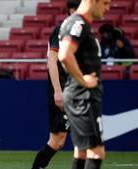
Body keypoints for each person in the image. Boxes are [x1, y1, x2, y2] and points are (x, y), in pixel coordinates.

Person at [58, 0, 111, 168]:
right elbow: (65, 55)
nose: (108, 8)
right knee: (96, 151)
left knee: (81, 151)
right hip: (83, 97)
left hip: (79, 96)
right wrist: (83, 80)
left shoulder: (79, 23)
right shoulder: (78, 23)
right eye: (105, 3)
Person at [31, 0, 80, 168]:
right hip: (62, 91)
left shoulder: (81, 34)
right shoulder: (61, 30)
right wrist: (58, 91)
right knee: (57, 141)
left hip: (76, 92)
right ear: (72, 11)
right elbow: (51, 61)